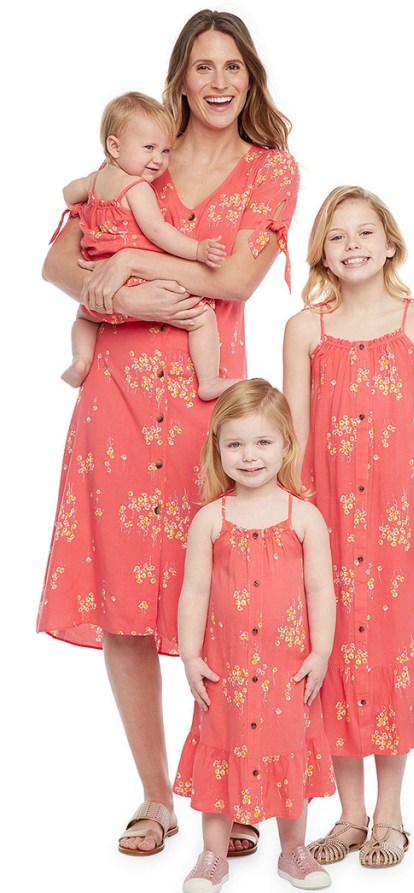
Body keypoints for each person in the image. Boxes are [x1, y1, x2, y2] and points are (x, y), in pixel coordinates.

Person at [37, 9, 298, 859]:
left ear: (250, 77)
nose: (219, 82)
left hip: (208, 405)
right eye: (203, 67)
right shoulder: (136, 150)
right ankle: (156, 796)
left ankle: (237, 784)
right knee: (123, 605)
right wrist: (119, 297)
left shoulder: (272, 170)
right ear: (179, 78)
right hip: (113, 401)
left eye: (233, 67)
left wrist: (136, 269)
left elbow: (237, 276)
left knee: (226, 593)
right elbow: (56, 261)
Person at [283, 186, 414, 868]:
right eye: (337, 236)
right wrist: (293, 522)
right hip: (325, 521)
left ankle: (390, 812)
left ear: (389, 242)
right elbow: (289, 435)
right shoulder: (306, 329)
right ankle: (348, 813)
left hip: (394, 523)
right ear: (322, 251)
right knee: (330, 655)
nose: (351, 245)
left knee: (388, 655)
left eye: (364, 233)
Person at [175, 379, 336, 892]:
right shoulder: (209, 520)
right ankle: (211, 856)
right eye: (235, 444)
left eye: (263, 442)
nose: (249, 456)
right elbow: (195, 592)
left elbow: (321, 591)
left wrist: (321, 652)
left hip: (288, 670)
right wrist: (190, 655)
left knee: (290, 751)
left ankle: (294, 852)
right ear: (217, 449)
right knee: (219, 754)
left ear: (287, 444)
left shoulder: (304, 517)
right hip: (226, 669)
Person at [59, 91, 235, 400]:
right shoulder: (138, 188)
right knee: (202, 315)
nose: (158, 159)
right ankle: (208, 380)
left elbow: (67, 192)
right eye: (149, 148)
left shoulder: (96, 178)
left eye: (165, 151)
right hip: (142, 283)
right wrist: (197, 250)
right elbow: (157, 231)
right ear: (114, 146)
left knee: (83, 318)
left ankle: (80, 359)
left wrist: (89, 198)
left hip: (101, 289)